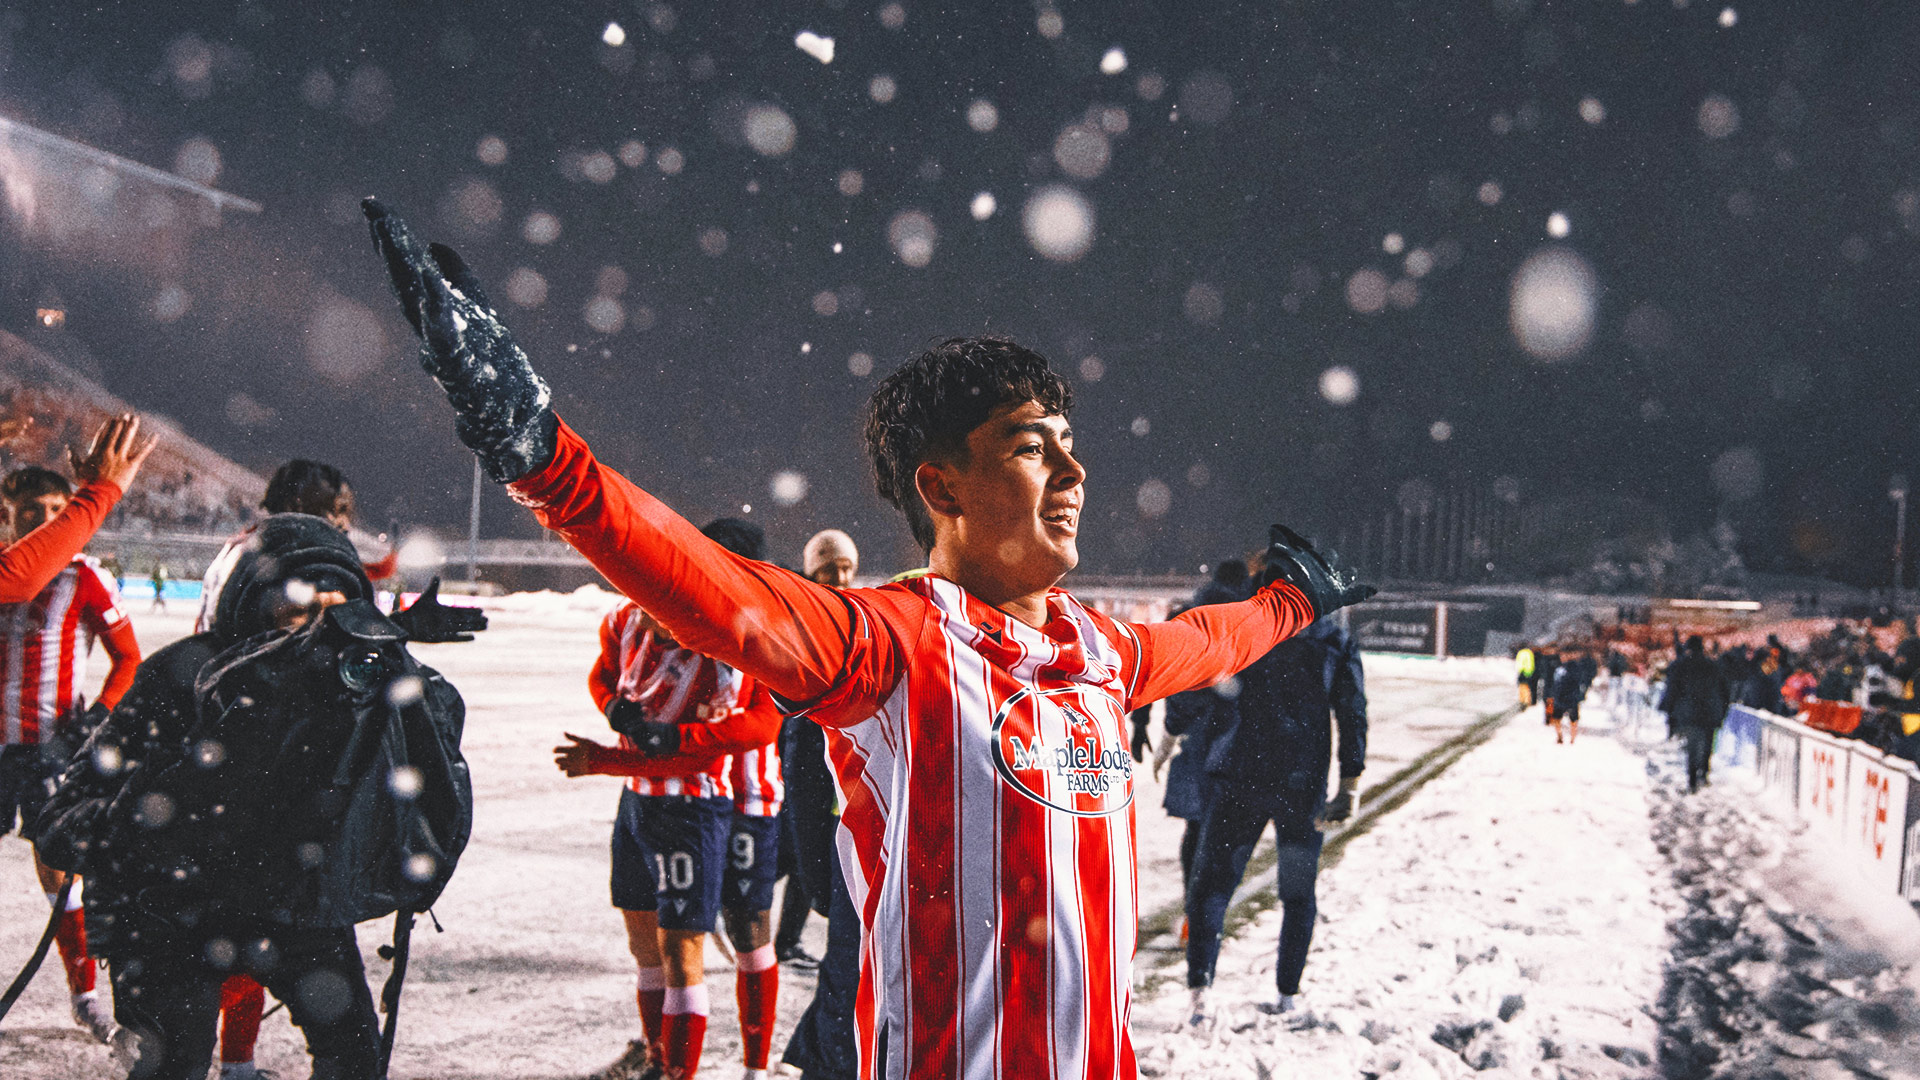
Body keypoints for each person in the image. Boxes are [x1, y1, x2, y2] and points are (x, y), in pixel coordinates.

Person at [364, 200, 1376, 1080]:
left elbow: (1212, 641)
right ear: (941, 486)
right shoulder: (892, 645)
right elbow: (708, 586)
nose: (1074, 474)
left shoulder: (1106, 652)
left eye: (1072, 445)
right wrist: (539, 452)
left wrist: (1294, 602)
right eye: (1034, 447)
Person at [34, 514, 463, 1080]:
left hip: (288, 900)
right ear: (251, 609)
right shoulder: (179, 679)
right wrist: (169, 798)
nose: (319, 635)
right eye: (301, 614)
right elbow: (62, 827)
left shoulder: (352, 696)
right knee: (172, 1067)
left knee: (357, 1060)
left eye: (338, 617)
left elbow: (423, 800)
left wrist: (398, 661)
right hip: (169, 914)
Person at [193, 457, 479, 1080]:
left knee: (276, 973)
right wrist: (388, 624)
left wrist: (391, 623)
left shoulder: (273, 560)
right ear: (306, 509)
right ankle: (235, 1062)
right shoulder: (277, 569)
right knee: (267, 960)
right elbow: (290, 657)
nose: (345, 528)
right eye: (339, 513)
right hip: (265, 804)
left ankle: (235, 1062)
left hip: (270, 810)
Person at [555, 521, 785, 1080]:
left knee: (741, 931)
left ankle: (754, 1065)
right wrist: (615, 710)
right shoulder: (632, 618)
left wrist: (642, 748)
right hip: (649, 794)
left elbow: (761, 724)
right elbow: (606, 673)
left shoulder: (749, 631)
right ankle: (659, 1054)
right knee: (653, 944)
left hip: (737, 796)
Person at [0, 456, 148, 1045]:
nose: (41, 521)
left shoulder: (85, 577)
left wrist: (95, 721)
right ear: (8, 519)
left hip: (47, 751)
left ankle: (84, 995)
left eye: (55, 513)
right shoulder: (11, 569)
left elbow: (130, 660)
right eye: (28, 513)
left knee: (59, 872)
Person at [1183, 613, 1367, 1021]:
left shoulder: (1250, 626)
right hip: (1302, 784)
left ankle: (1200, 992)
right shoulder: (1333, 639)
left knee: (1213, 884)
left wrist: (1183, 726)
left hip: (1241, 773)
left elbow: (1207, 683)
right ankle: (1287, 995)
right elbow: (1352, 709)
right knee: (1298, 891)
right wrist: (1350, 779)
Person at [780, 529, 863, 1080]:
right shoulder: (800, 627)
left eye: (846, 567)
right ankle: (818, 1060)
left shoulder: (864, 621)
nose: (838, 578)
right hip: (823, 808)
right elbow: (798, 750)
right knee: (848, 960)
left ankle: (812, 1058)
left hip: (862, 815)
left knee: (853, 961)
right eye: (828, 568)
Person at [1662, 635, 1731, 792]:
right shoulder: (1714, 666)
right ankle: (1704, 774)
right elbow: (1725, 691)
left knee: (1691, 746)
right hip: (1710, 712)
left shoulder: (1680, 665)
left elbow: (1672, 690)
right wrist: (1723, 712)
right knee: (1707, 743)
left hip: (1688, 712)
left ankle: (1692, 778)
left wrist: (1670, 713)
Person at [1545, 649, 1591, 744]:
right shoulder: (1558, 667)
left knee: (1573, 719)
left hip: (1570, 696)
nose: (1562, 658)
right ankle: (1560, 736)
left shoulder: (1575, 667)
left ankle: (1572, 738)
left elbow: (1579, 681)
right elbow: (1554, 682)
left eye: (1564, 655)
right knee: (1557, 718)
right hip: (1560, 696)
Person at [1515, 643, 1536, 708]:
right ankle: (1528, 700)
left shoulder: (1521, 653)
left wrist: (1520, 671)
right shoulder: (1530, 652)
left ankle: (1523, 701)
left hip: (1523, 671)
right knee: (1528, 687)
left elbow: (1520, 663)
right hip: (1530, 672)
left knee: (1522, 687)